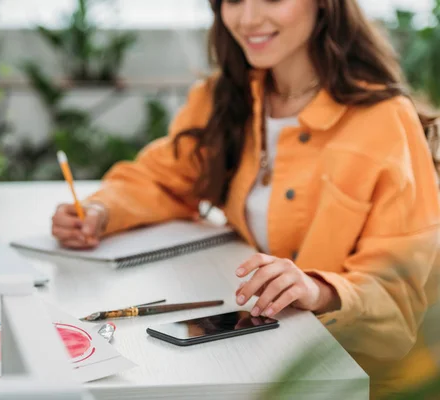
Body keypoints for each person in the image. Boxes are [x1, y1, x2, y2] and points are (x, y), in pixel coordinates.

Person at [51, 0, 440, 396]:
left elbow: (398, 297)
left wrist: (318, 290)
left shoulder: (384, 119)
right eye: (234, 0)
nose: (249, 18)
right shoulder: (226, 97)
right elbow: (163, 176)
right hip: (260, 351)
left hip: (358, 379)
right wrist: (100, 211)